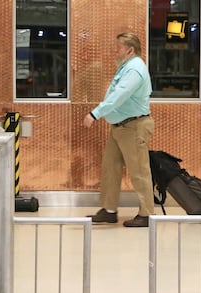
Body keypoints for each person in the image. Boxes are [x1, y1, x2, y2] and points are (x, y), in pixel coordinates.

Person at [82, 32, 155, 228]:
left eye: (119, 48)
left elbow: (119, 96)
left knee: (139, 171)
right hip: (120, 128)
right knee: (110, 168)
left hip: (134, 126)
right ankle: (109, 209)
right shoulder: (126, 67)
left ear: (130, 49)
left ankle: (147, 214)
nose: (116, 51)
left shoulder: (135, 69)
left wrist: (95, 114)